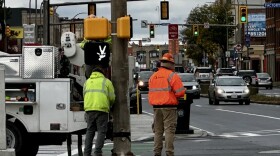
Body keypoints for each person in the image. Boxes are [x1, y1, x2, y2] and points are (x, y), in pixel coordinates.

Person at [148, 53, 186, 156]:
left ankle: (157, 152)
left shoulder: (153, 77)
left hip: (156, 107)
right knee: (169, 130)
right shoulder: (172, 76)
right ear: (169, 64)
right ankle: (169, 152)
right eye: (173, 64)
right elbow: (180, 92)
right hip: (169, 107)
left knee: (158, 131)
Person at [83, 65, 115, 156]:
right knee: (101, 131)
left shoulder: (87, 82)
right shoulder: (106, 82)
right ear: (102, 73)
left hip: (89, 109)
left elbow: (84, 94)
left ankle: (87, 153)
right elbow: (112, 97)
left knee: (90, 131)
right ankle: (97, 152)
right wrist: (110, 105)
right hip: (102, 109)